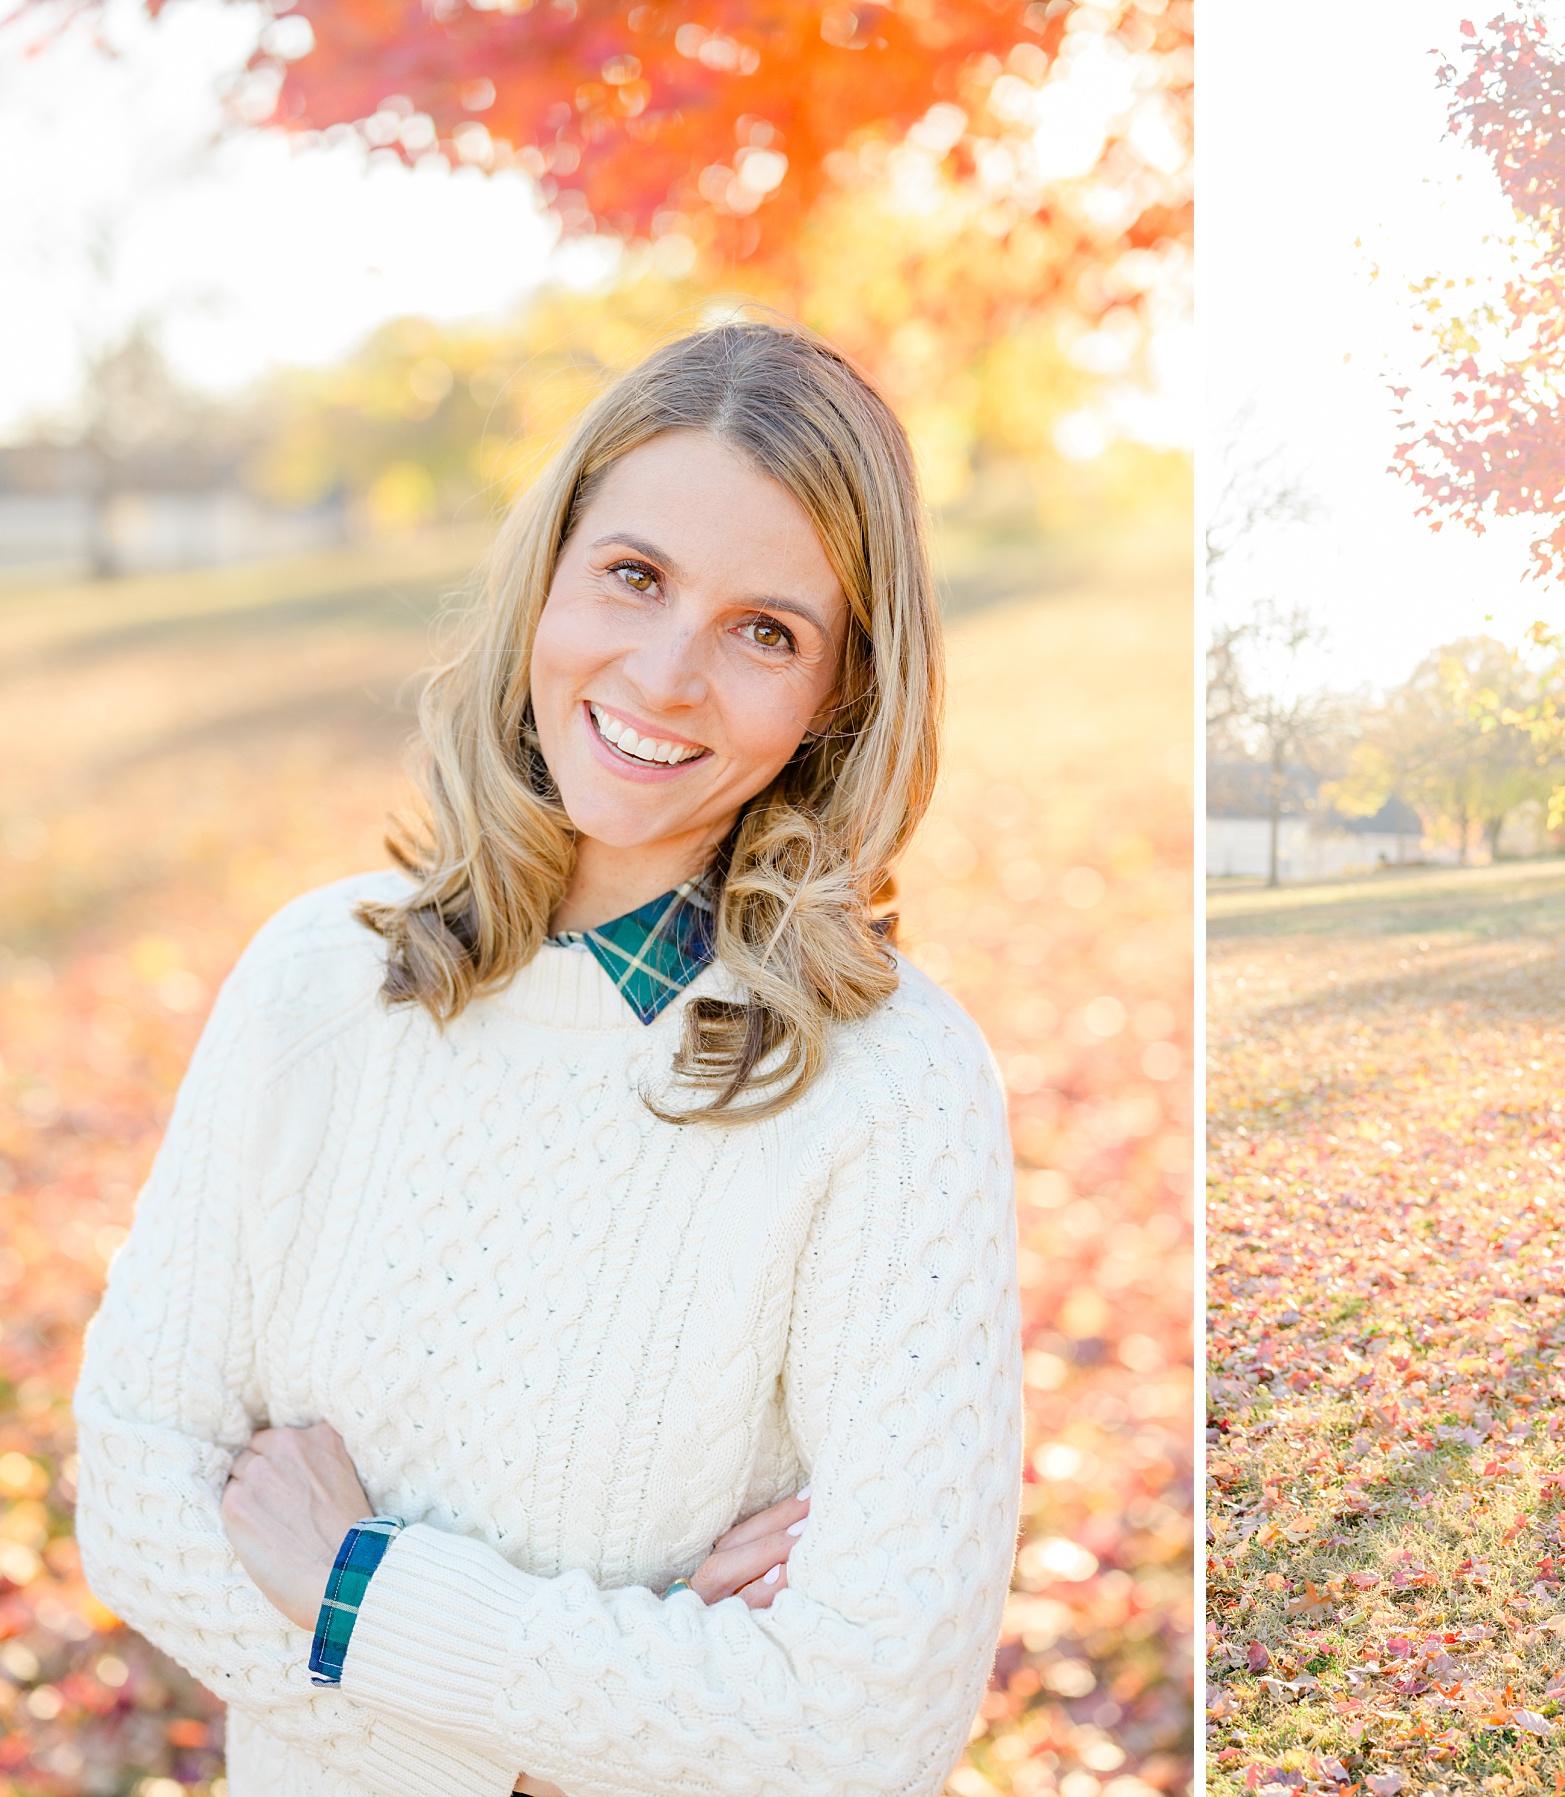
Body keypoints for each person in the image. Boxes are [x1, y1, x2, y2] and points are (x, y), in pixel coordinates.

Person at [72, 320, 1023, 1796]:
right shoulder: (315, 985)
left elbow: (862, 1725)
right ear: (549, 577)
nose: (665, 674)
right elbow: (139, 1499)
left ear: (840, 691)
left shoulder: (891, 1092)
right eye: (633, 577)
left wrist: (348, 1595)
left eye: (765, 630)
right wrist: (610, 1717)